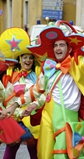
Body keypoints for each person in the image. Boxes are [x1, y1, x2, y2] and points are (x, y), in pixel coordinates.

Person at [0, 23, 84, 159]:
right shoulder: (48, 67)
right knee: (43, 154)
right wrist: (14, 106)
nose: (58, 48)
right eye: (56, 45)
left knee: (62, 155)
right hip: (48, 116)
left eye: (62, 45)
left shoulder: (78, 64)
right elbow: (36, 91)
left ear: (69, 48)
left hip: (67, 117)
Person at [0, 27, 40, 159]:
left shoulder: (37, 76)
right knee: (10, 151)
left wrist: (30, 108)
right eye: (25, 57)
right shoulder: (13, 75)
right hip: (15, 117)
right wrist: (14, 112)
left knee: (34, 151)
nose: (28, 60)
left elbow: (39, 94)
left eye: (30, 58)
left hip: (32, 119)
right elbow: (7, 97)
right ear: (20, 59)